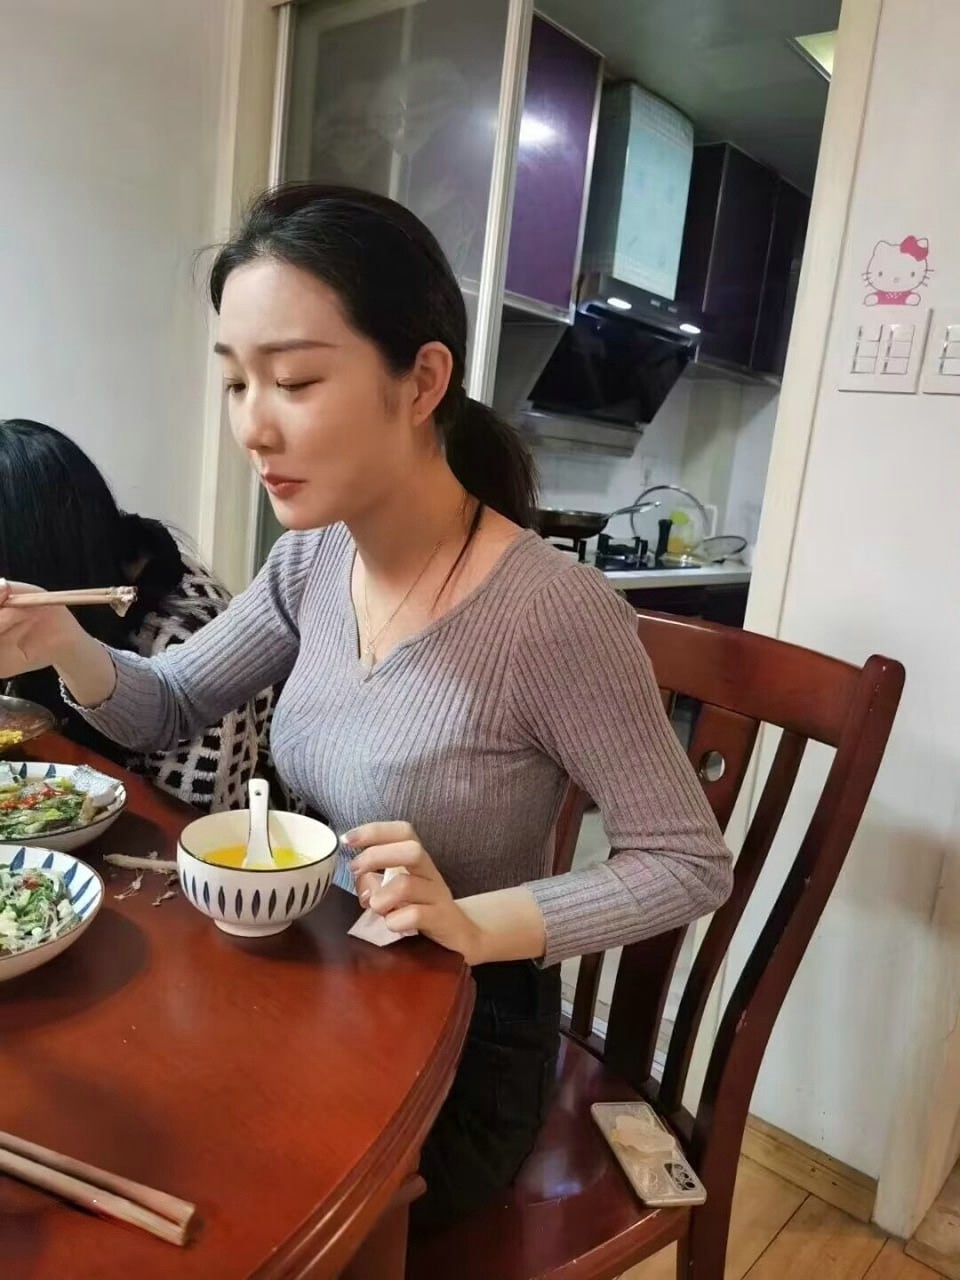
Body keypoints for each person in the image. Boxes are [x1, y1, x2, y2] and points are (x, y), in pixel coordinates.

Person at [0, 185, 732, 1227]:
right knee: (110, 1108)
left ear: (422, 379)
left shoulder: (553, 613)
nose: (253, 426)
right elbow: (169, 706)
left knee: (236, 1200)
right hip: (326, 963)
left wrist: (470, 922)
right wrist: (62, 643)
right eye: (236, 381)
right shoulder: (313, 558)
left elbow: (687, 862)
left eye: (295, 379)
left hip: (462, 1030)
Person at [0, 419, 273, 812]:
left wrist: (67, 648)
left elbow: (197, 818)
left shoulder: (183, 628)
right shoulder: (67, 578)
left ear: (36, 554)